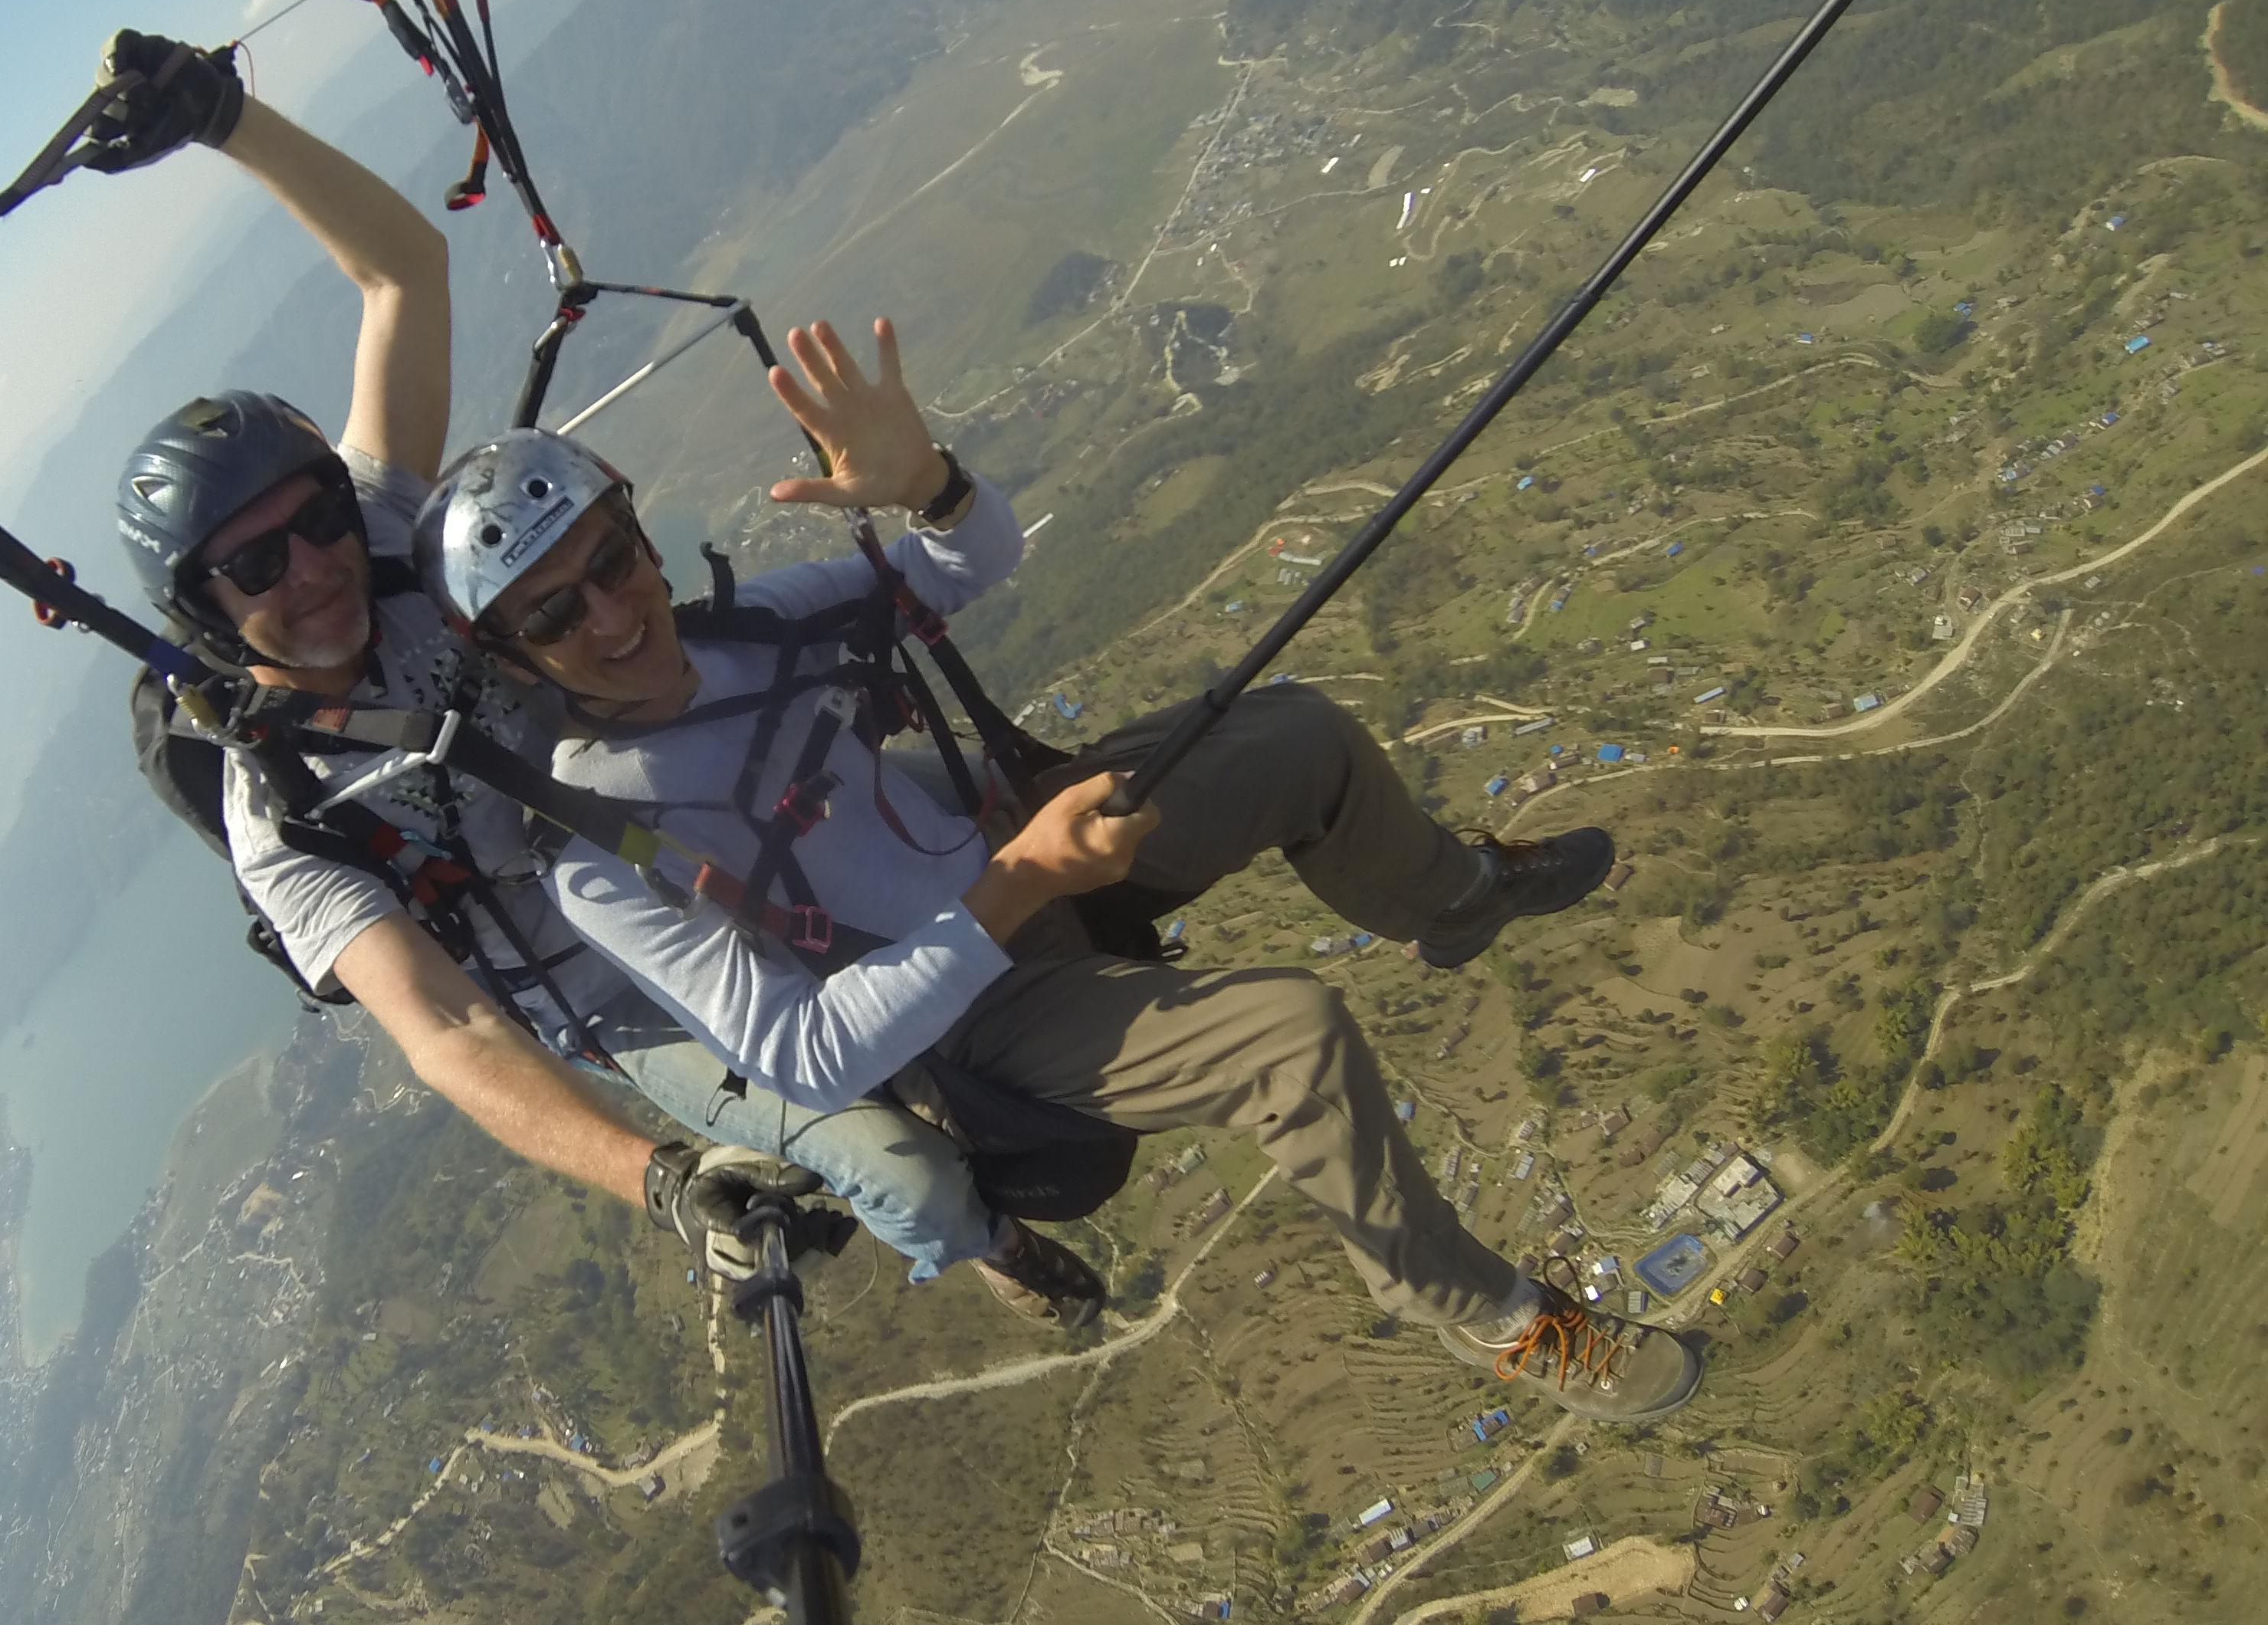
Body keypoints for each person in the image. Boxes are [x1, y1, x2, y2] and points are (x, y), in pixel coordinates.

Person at [414, 317, 1701, 1422]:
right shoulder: (599, 850)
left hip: (1017, 849)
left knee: (1296, 736)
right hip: (978, 1010)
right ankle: (1482, 1309)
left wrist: (931, 488)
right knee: (1292, 1040)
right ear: (512, 657)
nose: (610, 615)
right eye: (552, 614)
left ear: (641, 536)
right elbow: (805, 1058)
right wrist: (1021, 881)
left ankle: (1453, 899)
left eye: (608, 560)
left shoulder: (754, 628)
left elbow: (967, 566)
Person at [90, 32, 1104, 1315]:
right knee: (909, 1171)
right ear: (206, 611)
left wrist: (225, 118)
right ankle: (991, 1247)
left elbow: (402, 271)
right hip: (616, 978)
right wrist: (660, 1179)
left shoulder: (389, 535)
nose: (310, 567)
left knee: (1065, 813)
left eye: (315, 518)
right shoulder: (283, 813)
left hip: (729, 811)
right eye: (254, 566)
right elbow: (448, 1031)